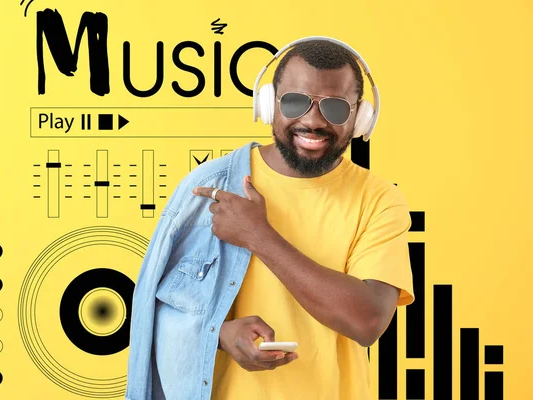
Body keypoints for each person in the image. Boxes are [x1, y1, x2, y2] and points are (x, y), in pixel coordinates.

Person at [124, 38, 414, 400]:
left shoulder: (379, 200)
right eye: (294, 102)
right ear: (267, 105)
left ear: (362, 117)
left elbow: (367, 321)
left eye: (336, 108)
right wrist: (218, 336)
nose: (312, 121)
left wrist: (259, 236)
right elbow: (153, 312)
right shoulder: (209, 187)